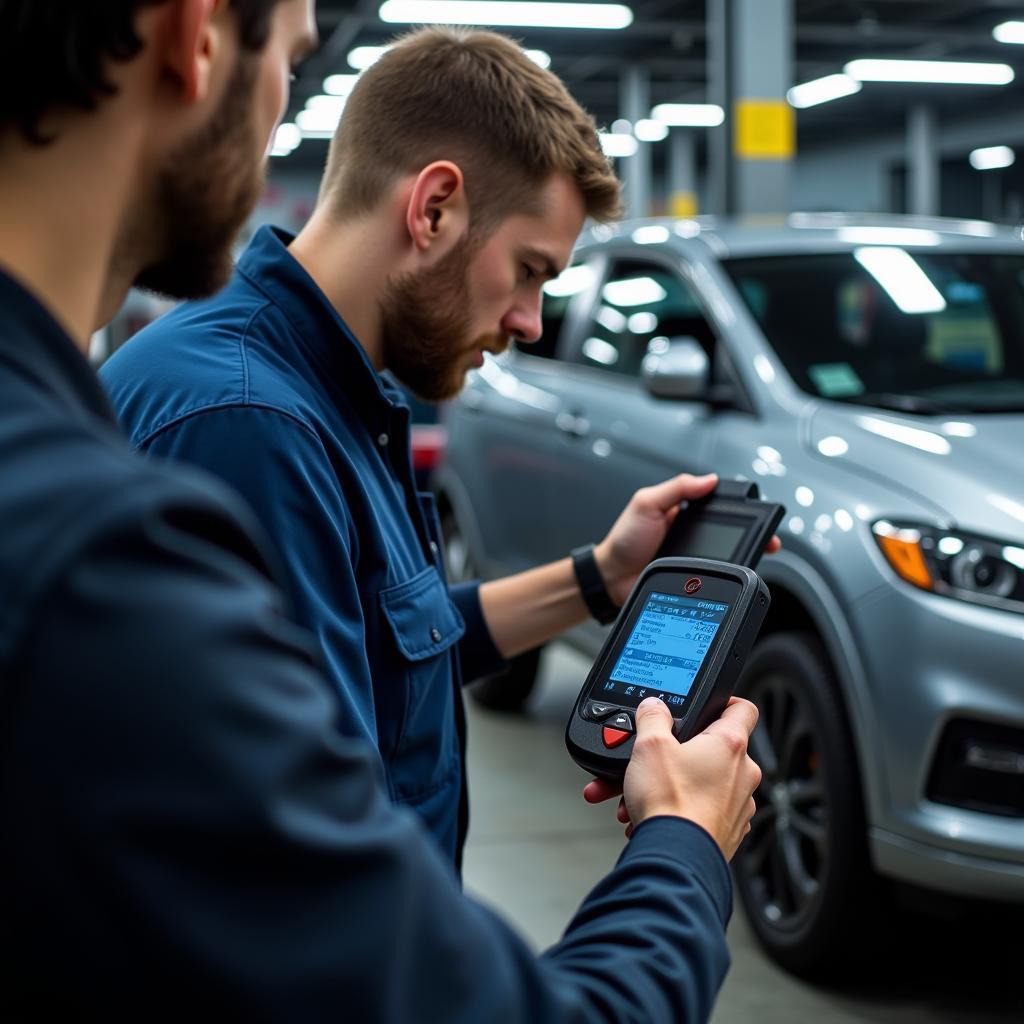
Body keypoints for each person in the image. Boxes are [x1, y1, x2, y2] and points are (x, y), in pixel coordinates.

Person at [0, 1, 761, 1017]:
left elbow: (383, 647)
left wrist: (597, 577)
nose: (532, 321)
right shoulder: (246, 427)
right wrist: (685, 841)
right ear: (434, 207)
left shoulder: (326, 392)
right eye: (530, 272)